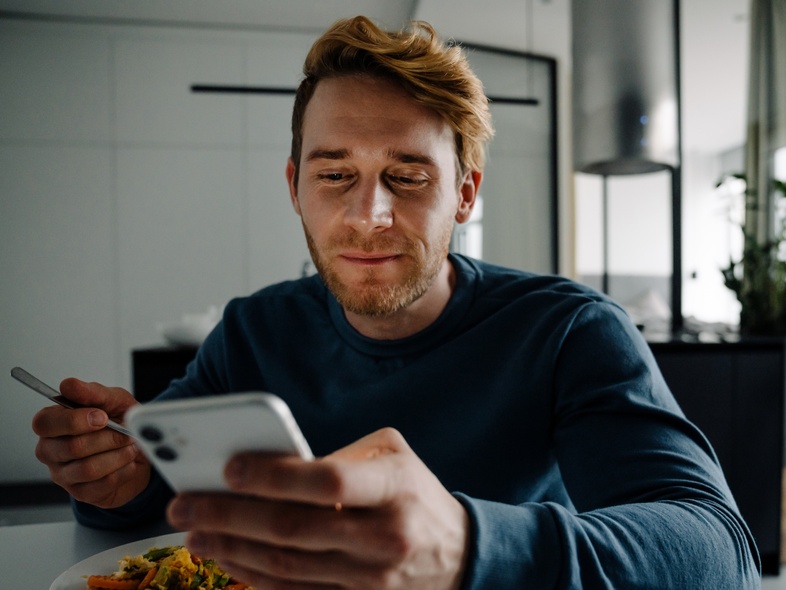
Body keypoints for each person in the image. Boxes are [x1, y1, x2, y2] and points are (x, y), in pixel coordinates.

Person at [32, 15, 760, 589]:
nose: (369, 214)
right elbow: (166, 500)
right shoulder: (254, 329)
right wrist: (116, 482)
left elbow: (720, 552)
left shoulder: (569, 330)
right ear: (295, 187)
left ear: (465, 193)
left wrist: (471, 548)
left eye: (408, 176)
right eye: (335, 175)